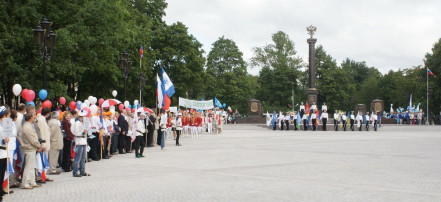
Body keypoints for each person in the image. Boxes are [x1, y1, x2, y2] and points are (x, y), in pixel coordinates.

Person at [21, 112, 41, 190]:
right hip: (29, 148)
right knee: (28, 166)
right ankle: (25, 182)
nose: (34, 118)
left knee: (32, 166)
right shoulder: (27, 127)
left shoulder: (28, 125)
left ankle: (32, 181)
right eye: (33, 117)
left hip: (32, 148)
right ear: (30, 118)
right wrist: (38, 145)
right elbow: (32, 139)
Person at [71, 109, 90, 177]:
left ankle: (82, 171)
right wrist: (83, 132)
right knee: (77, 158)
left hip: (83, 141)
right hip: (79, 140)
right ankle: (75, 171)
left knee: (83, 158)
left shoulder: (82, 123)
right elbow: (76, 132)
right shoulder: (77, 123)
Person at [36, 107, 53, 182]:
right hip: (44, 143)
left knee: (45, 160)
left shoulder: (43, 120)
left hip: (46, 142)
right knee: (42, 160)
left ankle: (44, 175)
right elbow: (41, 133)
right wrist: (43, 144)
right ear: (48, 113)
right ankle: (41, 176)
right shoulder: (40, 120)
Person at [0, 106, 12, 196]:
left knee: (2, 174)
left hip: (4, 153)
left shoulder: (4, 124)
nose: (9, 117)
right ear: (4, 115)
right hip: (0, 152)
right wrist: (3, 141)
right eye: (8, 115)